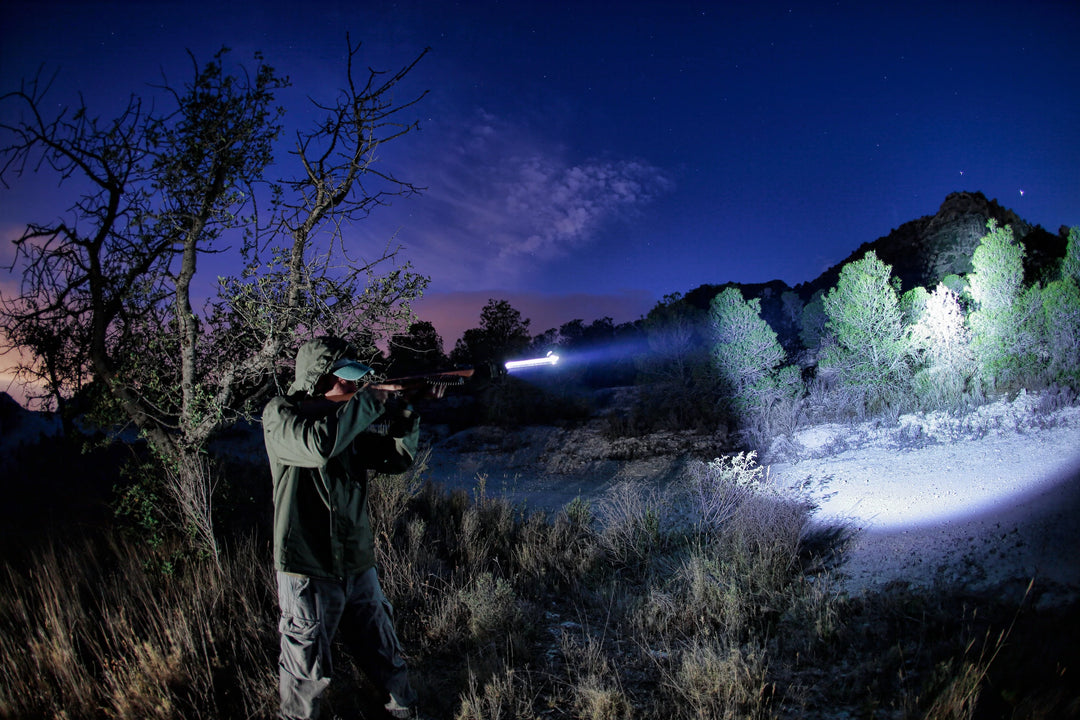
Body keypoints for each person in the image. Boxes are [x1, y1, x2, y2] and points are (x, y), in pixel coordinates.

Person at [263, 336, 440, 720]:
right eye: (345, 379)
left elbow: (396, 460)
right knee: (306, 673)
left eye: (358, 381)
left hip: (357, 562)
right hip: (307, 567)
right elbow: (318, 447)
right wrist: (373, 400)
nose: (354, 385)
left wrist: (408, 408)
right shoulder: (280, 415)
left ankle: (405, 711)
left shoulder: (344, 421)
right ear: (317, 379)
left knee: (384, 654)